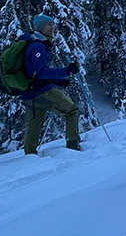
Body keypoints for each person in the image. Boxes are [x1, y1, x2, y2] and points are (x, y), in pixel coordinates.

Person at [19, 14, 82, 155]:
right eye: (48, 25)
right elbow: (40, 72)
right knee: (72, 110)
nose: (52, 27)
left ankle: (29, 156)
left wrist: (59, 80)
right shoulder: (37, 47)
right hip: (41, 91)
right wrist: (66, 71)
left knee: (34, 125)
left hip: (29, 93)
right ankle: (73, 146)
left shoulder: (33, 43)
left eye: (53, 24)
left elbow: (33, 73)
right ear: (40, 28)